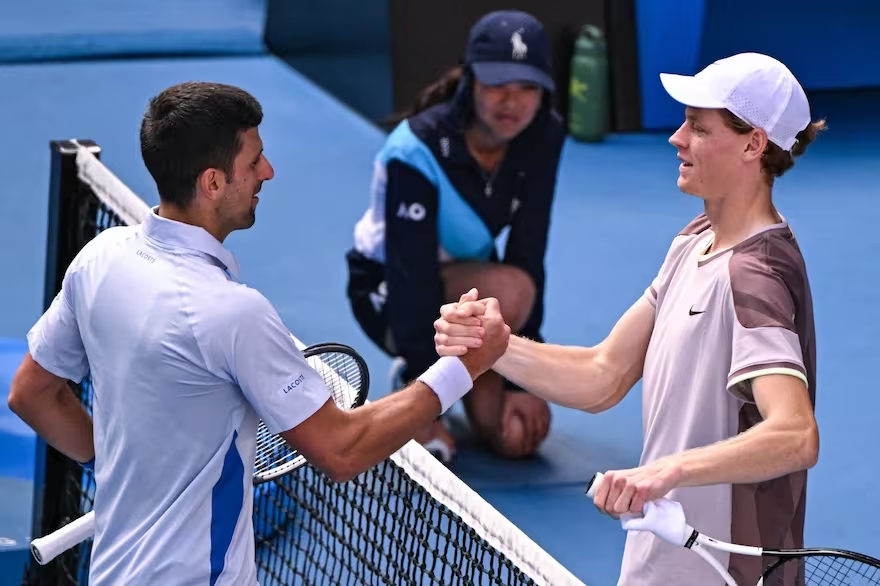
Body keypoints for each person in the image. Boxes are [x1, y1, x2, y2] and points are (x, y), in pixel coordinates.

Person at [7, 81, 510, 586]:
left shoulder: (101, 257)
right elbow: (342, 448)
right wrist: (462, 368)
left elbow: (32, 393)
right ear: (212, 183)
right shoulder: (232, 313)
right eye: (254, 162)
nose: (268, 172)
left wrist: (121, 469)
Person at [432, 52, 825, 586]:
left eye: (698, 127)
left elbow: (795, 433)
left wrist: (671, 470)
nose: (676, 138)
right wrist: (495, 345)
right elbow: (603, 373)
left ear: (754, 145)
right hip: (663, 556)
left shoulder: (756, 276)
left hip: (722, 573)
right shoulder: (695, 242)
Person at [345, 9, 566, 462]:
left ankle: (451, 373)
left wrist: (519, 377)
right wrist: (425, 402)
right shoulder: (416, 149)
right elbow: (411, 276)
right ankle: (410, 372)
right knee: (509, 289)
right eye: (497, 84)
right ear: (470, 81)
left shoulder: (542, 134)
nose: (512, 102)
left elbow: (529, 246)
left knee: (511, 434)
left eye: (527, 87)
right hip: (389, 292)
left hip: (463, 293)